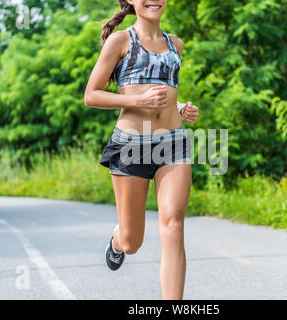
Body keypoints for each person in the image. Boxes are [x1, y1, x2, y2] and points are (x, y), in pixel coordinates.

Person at [83, 0, 200, 300]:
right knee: (133, 241)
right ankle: (117, 239)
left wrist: (182, 106)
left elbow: (166, 93)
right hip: (131, 145)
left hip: (173, 143)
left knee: (173, 224)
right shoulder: (121, 41)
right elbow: (91, 95)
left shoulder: (176, 44)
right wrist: (137, 102)